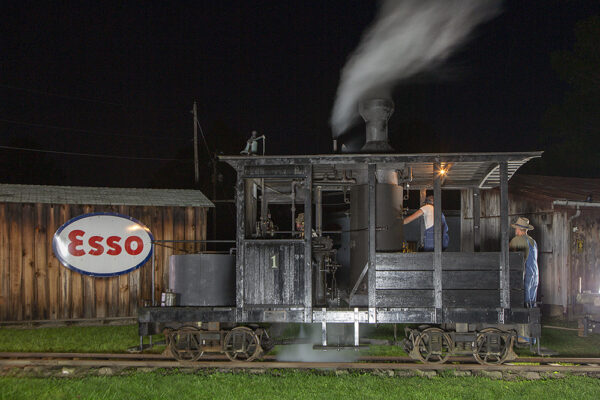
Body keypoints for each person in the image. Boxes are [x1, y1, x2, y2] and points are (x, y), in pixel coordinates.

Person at [509, 217, 538, 307]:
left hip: (525, 274)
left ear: (518, 229)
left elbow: (509, 258)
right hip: (535, 274)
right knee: (532, 302)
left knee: (524, 303)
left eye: (516, 228)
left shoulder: (516, 240)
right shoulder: (533, 241)